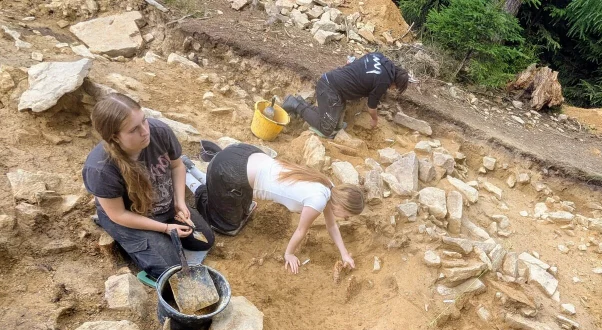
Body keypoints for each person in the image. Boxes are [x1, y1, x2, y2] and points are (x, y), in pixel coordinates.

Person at [82, 93, 214, 279]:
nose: (145, 131)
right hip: (130, 219)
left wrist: (180, 202)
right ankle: (131, 243)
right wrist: (166, 229)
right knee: (173, 271)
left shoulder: (159, 131)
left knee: (206, 240)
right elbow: (118, 214)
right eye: (134, 129)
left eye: (144, 121)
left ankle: (160, 239)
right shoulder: (100, 169)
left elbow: (177, 166)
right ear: (115, 137)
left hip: (164, 206)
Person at [182, 144, 364, 274]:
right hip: (230, 170)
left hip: (246, 154)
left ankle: (195, 170)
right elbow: (301, 231)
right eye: (347, 215)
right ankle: (187, 176)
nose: (345, 219)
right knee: (227, 225)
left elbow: (331, 227)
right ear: (341, 205)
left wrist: (344, 254)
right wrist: (289, 254)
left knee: (243, 207)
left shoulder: (329, 186)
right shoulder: (317, 201)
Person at [281, 52, 410, 137]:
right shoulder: (384, 80)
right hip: (331, 90)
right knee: (326, 129)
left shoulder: (379, 57)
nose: (392, 89)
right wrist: (375, 119)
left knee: (336, 124)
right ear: (395, 83)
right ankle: (294, 104)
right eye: (395, 88)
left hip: (331, 81)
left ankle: (300, 102)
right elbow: (372, 106)